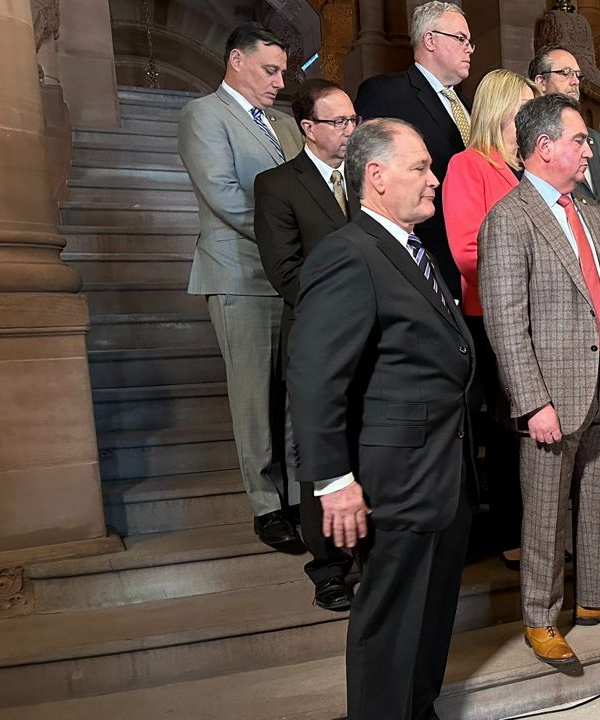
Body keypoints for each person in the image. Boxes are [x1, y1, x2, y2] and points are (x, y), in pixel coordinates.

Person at [287, 119, 476, 720]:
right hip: (396, 479)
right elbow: (316, 378)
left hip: (441, 472)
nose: (434, 179)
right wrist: (332, 482)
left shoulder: (412, 248)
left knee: (430, 617)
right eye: (420, 167)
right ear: (375, 176)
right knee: (391, 624)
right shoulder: (347, 255)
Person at [479, 93, 600, 668]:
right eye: (580, 139)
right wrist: (532, 403)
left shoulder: (586, 207)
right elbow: (507, 324)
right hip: (551, 395)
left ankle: (598, 598)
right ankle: (540, 616)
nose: (589, 150)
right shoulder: (508, 218)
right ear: (544, 147)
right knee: (545, 510)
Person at [178, 22, 302, 549]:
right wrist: (296, 236)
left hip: (294, 277)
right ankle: (266, 505)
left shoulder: (287, 122)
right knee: (253, 397)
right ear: (236, 60)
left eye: (283, 71)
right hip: (240, 275)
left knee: (296, 392)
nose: (279, 81)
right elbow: (225, 197)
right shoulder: (204, 115)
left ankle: (299, 494)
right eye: (269, 70)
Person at [254, 79, 359, 611]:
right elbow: (285, 271)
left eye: (352, 120)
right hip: (318, 339)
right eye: (337, 122)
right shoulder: (278, 184)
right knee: (322, 454)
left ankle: (370, 553)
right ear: (308, 128)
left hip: (375, 341)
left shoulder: (367, 179)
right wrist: (347, 311)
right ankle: (330, 568)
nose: (348, 131)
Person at [443, 69, 538, 571]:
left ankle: (537, 530)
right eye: (525, 104)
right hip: (493, 316)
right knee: (505, 434)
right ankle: (508, 530)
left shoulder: (528, 169)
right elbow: (465, 250)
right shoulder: (468, 165)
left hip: (538, 318)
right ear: (501, 109)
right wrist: (529, 277)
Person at [354, 1, 473, 302]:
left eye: (470, 41)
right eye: (461, 39)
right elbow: (367, 179)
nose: (470, 49)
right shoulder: (387, 93)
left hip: (472, 263)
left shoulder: (470, 107)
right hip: (421, 259)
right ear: (430, 39)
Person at [529, 45, 600, 242]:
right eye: (565, 73)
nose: (574, 82)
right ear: (540, 82)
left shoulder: (596, 140)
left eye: (577, 75)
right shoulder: (531, 141)